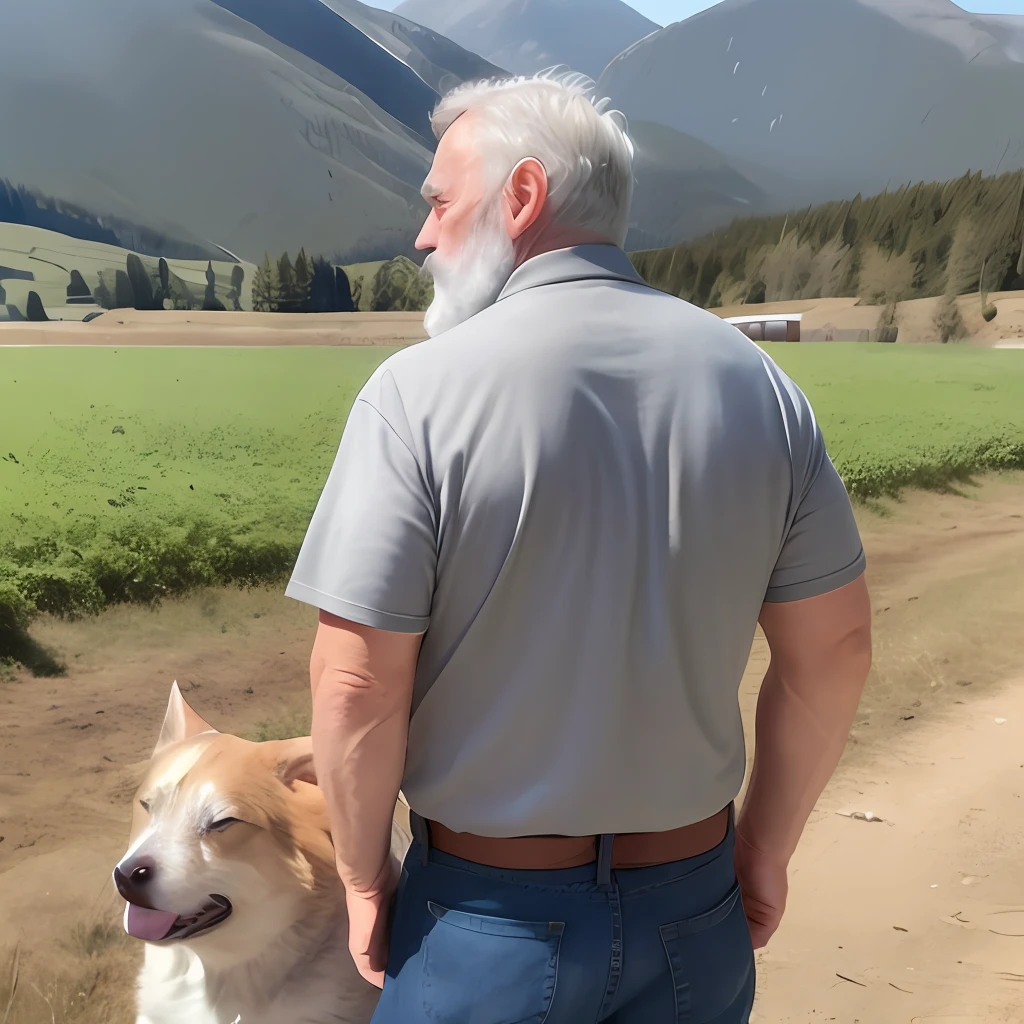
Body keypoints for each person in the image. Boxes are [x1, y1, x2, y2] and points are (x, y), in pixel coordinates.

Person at [285, 68, 872, 1023]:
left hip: (482, 922)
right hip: (694, 909)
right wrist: (762, 850)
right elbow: (837, 650)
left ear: (521, 196)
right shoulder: (765, 390)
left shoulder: (414, 396)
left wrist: (361, 879)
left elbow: (354, 682)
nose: (423, 235)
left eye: (439, 201)